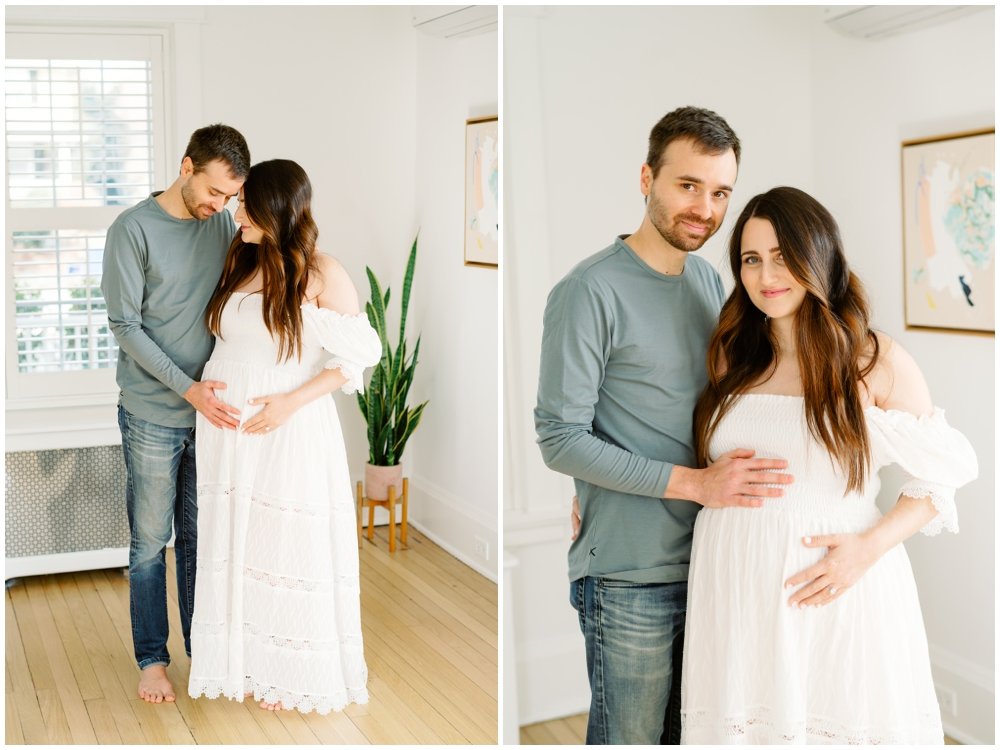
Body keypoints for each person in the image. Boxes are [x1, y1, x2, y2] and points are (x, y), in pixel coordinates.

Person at [681, 186, 978, 744]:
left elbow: (942, 474)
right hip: (735, 592)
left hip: (834, 592)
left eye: (784, 256)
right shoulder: (731, 352)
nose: (767, 274)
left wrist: (867, 549)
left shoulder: (871, 358)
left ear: (819, 258)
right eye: (751, 258)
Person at [534, 106, 794, 745]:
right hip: (629, 578)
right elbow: (559, 437)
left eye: (720, 192)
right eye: (688, 185)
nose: (704, 208)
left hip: (712, 565)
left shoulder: (711, 283)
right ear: (646, 178)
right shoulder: (589, 290)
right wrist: (695, 485)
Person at [187, 159, 380, 713]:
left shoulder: (318, 271)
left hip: (287, 427)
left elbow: (360, 355)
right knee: (240, 546)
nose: (236, 211)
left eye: (247, 203)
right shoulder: (240, 260)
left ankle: (289, 670)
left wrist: (290, 402)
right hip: (229, 431)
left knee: (284, 547)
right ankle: (247, 663)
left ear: (277, 206)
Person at [103, 124, 250, 704]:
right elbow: (125, 325)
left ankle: (203, 651)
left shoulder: (222, 225)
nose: (221, 207)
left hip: (210, 414)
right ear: (187, 166)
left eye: (230, 198)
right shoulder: (133, 230)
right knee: (148, 540)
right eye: (214, 192)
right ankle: (152, 659)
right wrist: (187, 389)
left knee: (198, 539)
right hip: (152, 411)